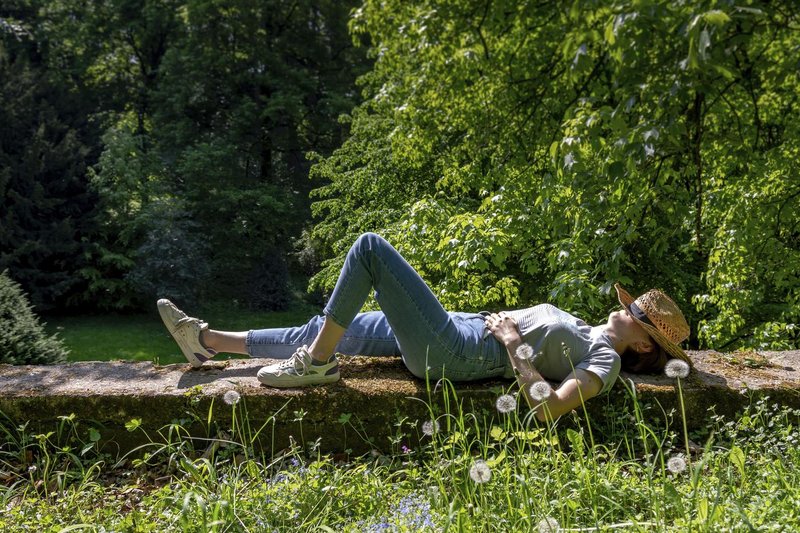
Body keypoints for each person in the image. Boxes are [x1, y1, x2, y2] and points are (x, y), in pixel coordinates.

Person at [158, 232, 691, 421]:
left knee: (369, 248)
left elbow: (549, 407)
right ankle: (204, 342)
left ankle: (315, 367)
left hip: (455, 353)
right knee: (327, 325)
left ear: (644, 341)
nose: (625, 305)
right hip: (457, 327)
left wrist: (511, 343)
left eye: (636, 311)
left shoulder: (605, 363)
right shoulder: (588, 327)